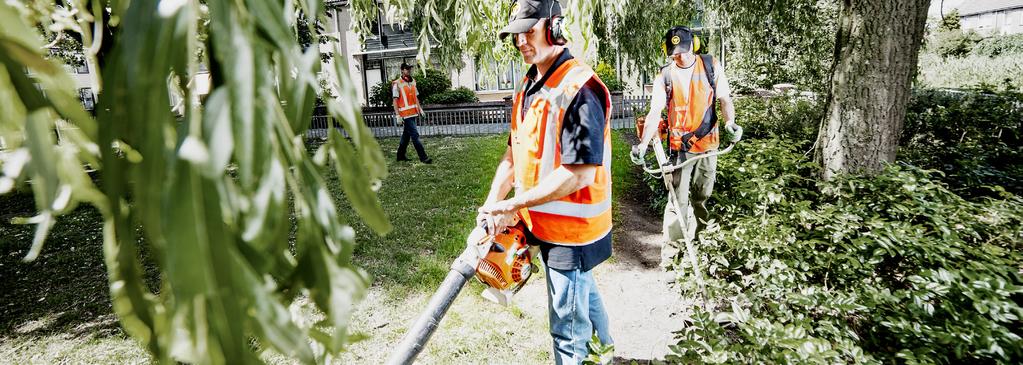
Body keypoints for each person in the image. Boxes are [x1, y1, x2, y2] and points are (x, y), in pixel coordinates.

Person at [476, 0, 613, 363]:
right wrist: (493, 202)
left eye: (529, 30)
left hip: (574, 230)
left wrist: (513, 205)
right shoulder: (529, 84)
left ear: (554, 27)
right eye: (516, 34)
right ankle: (607, 349)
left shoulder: (579, 89)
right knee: (582, 291)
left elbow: (579, 173)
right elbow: (513, 153)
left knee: (566, 329)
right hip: (542, 221)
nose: (521, 40)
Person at [635, 26, 742, 268]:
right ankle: (672, 259)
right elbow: (655, 112)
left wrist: (730, 122)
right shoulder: (664, 76)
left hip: (709, 145)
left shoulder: (711, 65)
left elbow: (725, 99)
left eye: (683, 50)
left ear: (693, 45)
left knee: (702, 197)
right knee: (676, 203)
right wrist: (643, 145)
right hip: (680, 150)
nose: (679, 56)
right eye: (674, 52)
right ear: (667, 51)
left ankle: (702, 246)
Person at [393, 62, 432, 164]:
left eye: (409, 68)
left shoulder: (413, 82)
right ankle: (423, 157)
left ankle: (400, 156)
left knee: (406, 136)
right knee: (415, 135)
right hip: (405, 115)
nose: (409, 70)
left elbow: (416, 98)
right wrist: (397, 115)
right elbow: (395, 100)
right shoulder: (397, 83)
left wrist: (420, 109)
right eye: (406, 69)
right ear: (402, 70)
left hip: (413, 113)